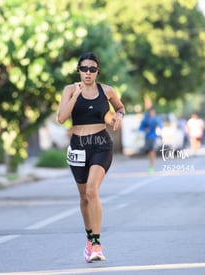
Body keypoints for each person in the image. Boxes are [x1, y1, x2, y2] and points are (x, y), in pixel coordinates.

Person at [57, 52, 125, 263]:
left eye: (92, 69)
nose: (88, 73)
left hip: (100, 144)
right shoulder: (69, 90)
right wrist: (76, 96)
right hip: (78, 146)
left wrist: (119, 115)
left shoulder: (107, 91)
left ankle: (96, 244)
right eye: (84, 69)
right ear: (78, 70)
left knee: (91, 190)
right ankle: (89, 241)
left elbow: (120, 106)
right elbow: (61, 118)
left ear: (97, 71)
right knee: (84, 197)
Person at [139, 107, 163, 173]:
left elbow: (161, 126)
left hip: (154, 138)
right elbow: (141, 128)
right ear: (148, 112)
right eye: (151, 112)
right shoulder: (145, 119)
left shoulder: (156, 119)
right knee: (148, 152)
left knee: (152, 151)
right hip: (147, 138)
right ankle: (151, 163)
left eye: (153, 112)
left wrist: (159, 130)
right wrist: (145, 129)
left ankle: (151, 166)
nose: (152, 113)